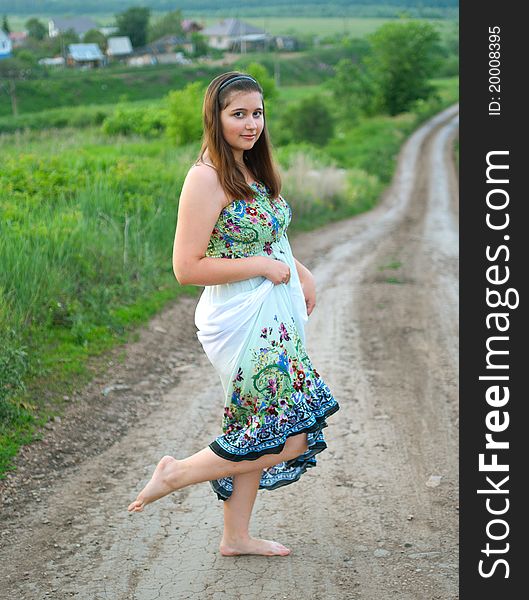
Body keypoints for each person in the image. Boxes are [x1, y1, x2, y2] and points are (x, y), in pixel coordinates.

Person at [127, 72, 339, 557]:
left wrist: (300, 271)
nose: (251, 124)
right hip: (239, 317)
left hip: (273, 312)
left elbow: (271, 237)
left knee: (256, 422)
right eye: (238, 114)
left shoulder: (252, 170)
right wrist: (264, 266)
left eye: (257, 113)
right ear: (215, 118)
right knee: (287, 436)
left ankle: (235, 537)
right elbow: (186, 266)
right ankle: (176, 473)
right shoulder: (206, 177)